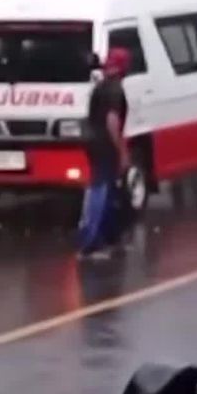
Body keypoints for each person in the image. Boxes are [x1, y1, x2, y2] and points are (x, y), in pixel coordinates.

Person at [78, 48, 130, 260]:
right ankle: (90, 245)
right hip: (104, 145)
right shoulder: (115, 90)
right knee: (100, 191)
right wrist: (123, 150)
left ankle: (111, 239)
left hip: (92, 141)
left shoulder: (100, 86)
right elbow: (112, 122)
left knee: (108, 191)